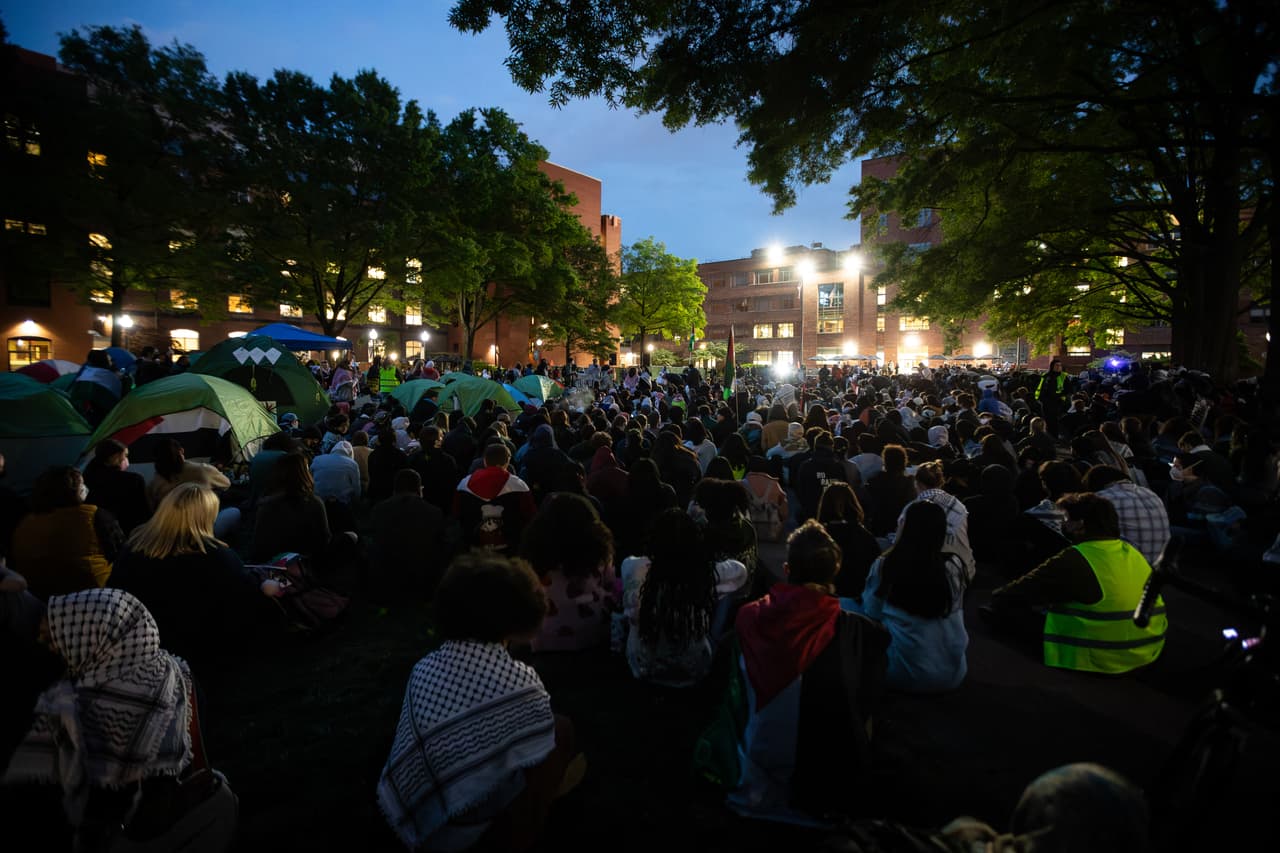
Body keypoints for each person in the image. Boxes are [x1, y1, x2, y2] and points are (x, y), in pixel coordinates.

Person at [2, 588, 236, 852]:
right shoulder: (174, 673)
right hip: (185, 819)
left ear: (96, 638)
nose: (59, 650)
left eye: (64, 641)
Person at [376, 554, 580, 852]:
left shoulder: (424, 667)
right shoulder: (518, 682)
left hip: (420, 813)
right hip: (467, 830)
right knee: (561, 731)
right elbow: (536, 738)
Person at [728, 521, 889, 824]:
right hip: (827, 786)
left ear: (787, 569)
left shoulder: (750, 619)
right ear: (834, 572)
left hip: (757, 771)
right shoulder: (860, 633)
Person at [990, 492, 1166, 673]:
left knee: (1001, 609)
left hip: (1104, 655)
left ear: (1080, 524)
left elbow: (1014, 592)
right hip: (1147, 648)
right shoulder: (1129, 551)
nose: (1063, 524)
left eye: (1066, 518)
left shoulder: (1077, 557)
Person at [107, 483, 268, 676]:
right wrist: (262, 583)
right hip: (200, 653)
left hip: (140, 646)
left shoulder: (132, 548)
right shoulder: (216, 557)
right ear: (206, 517)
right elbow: (242, 598)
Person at [846, 502, 968, 692]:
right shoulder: (954, 565)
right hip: (955, 673)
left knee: (840, 606)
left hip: (905, 674)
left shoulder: (886, 565)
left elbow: (871, 612)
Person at [623, 509, 747, 687]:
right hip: (693, 668)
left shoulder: (632, 566)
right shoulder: (705, 573)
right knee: (723, 597)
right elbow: (741, 571)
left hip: (643, 665)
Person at [520, 492, 617, 652]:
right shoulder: (599, 549)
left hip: (545, 637)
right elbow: (611, 587)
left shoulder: (534, 550)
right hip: (594, 633)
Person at [9, 466, 124, 600]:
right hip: (94, 596)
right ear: (72, 490)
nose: (84, 488)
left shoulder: (26, 522)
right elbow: (120, 553)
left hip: (41, 598)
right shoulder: (95, 516)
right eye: (81, 484)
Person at [370, 469, 448, 600]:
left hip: (387, 581)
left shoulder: (379, 510)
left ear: (395, 488)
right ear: (419, 489)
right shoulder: (434, 512)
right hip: (423, 582)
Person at [455, 442, 537, 554]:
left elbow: (456, 515)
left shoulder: (464, 484)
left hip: (473, 548)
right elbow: (530, 517)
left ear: (485, 461)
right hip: (510, 549)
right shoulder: (519, 486)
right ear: (507, 462)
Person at [250, 453, 332, 562]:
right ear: (304, 473)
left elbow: (258, 546)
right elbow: (324, 541)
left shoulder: (266, 505)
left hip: (272, 565)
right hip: (305, 565)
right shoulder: (314, 503)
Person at [817, 483, 881, 600]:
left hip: (823, 600)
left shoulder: (817, 537)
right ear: (853, 504)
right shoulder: (865, 537)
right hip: (857, 600)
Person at [81, 439, 149, 535]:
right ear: (115, 456)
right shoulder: (134, 480)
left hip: (97, 532)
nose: (126, 459)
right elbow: (144, 513)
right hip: (129, 533)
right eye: (125, 455)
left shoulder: (86, 478)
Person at [146, 439, 231, 512]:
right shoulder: (204, 470)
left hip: (167, 528)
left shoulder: (154, 483)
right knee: (234, 512)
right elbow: (226, 484)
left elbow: (152, 508)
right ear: (181, 451)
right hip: (201, 525)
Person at [311, 440, 362, 505]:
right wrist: (357, 503)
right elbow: (356, 487)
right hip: (343, 503)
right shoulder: (353, 464)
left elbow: (310, 477)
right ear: (350, 452)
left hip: (319, 500)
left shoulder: (317, 459)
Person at [1035, 359, 1070, 439]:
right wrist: (1040, 399)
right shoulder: (1045, 376)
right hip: (1046, 402)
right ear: (1052, 366)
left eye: (1060, 365)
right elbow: (1040, 388)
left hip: (1058, 403)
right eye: (1057, 365)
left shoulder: (1063, 376)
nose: (1058, 367)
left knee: (1055, 421)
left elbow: (1068, 390)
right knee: (1047, 420)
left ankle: (1055, 437)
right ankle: (1048, 437)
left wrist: (1061, 398)